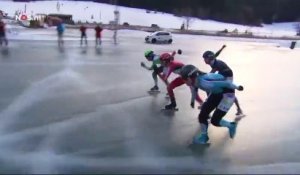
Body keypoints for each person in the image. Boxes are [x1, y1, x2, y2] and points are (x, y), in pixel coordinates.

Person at [180, 64, 244, 144]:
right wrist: (192, 101)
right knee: (202, 116)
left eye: (184, 79)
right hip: (216, 93)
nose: (184, 82)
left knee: (215, 121)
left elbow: (227, 84)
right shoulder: (194, 82)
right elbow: (194, 91)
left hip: (227, 94)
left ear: (190, 78)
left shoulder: (204, 82)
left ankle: (231, 125)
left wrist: (238, 87)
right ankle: (204, 137)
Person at [202, 46, 244, 116]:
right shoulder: (213, 59)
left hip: (228, 74)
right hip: (221, 74)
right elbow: (217, 54)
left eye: (205, 58)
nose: (204, 60)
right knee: (210, 86)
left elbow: (211, 73)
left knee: (229, 93)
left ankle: (239, 109)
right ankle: (209, 101)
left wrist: (203, 77)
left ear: (209, 58)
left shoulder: (215, 64)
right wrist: (222, 48)